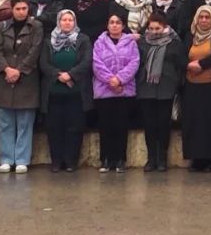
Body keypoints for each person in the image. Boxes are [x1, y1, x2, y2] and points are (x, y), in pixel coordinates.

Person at [0, 0, 43, 174]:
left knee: (24, 122)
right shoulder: (1, 27)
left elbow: (35, 51)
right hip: (4, 79)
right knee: (5, 122)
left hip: (26, 78)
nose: (21, 12)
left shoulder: (36, 26)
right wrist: (6, 69)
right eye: (18, 9)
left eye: (24, 9)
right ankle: (6, 158)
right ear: (12, 9)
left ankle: (21, 159)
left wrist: (19, 70)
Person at [39, 10, 93, 173]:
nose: (67, 22)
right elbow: (44, 63)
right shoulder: (49, 40)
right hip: (53, 93)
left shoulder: (82, 39)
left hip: (76, 93)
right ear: (59, 22)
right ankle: (56, 161)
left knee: (74, 128)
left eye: (70, 20)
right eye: (64, 20)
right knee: (54, 128)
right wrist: (59, 75)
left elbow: (87, 61)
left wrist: (71, 74)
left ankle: (71, 161)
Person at [136, 11, 186, 172]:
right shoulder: (143, 42)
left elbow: (181, 65)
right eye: (151, 28)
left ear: (164, 27)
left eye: (157, 28)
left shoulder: (174, 44)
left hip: (166, 88)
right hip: (146, 88)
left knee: (164, 125)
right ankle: (151, 159)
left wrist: (177, 83)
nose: (154, 31)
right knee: (149, 125)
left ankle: (162, 158)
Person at [182, 6, 211, 172]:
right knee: (194, 124)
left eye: (207, 17)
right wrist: (188, 65)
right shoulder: (190, 35)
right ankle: (197, 159)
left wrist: (201, 64)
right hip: (192, 86)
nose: (203, 20)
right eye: (200, 17)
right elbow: (181, 54)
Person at [91, 13, 139, 173]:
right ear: (107, 25)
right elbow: (96, 64)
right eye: (111, 22)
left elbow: (134, 63)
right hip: (104, 91)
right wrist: (110, 80)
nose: (114, 25)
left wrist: (119, 80)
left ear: (123, 25)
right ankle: (105, 159)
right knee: (105, 126)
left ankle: (120, 159)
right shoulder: (99, 42)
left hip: (124, 91)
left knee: (121, 126)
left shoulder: (131, 43)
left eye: (118, 22)